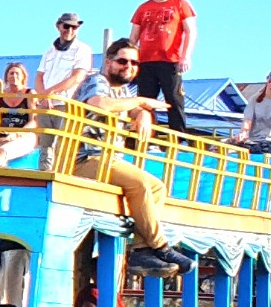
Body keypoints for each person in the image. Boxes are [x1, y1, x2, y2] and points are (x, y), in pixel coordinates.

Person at [76, 40, 188, 276]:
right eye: (122, 61)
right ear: (108, 62)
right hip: (85, 159)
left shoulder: (123, 91)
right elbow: (100, 104)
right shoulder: (97, 81)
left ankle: (141, 249)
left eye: (134, 63)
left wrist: (143, 113)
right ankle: (161, 246)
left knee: (157, 187)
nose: (128, 66)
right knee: (139, 183)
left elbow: (129, 106)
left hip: (110, 160)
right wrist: (141, 102)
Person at [130, 0, 197, 131]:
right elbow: (134, 35)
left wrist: (186, 56)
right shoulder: (143, 8)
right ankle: (146, 137)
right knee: (145, 102)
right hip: (145, 61)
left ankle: (178, 140)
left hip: (171, 60)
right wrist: (131, 59)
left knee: (174, 100)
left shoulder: (180, 4)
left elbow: (191, 31)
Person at [37, 12, 96, 98]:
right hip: (44, 104)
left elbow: (78, 77)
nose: (70, 30)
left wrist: (49, 94)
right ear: (58, 26)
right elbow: (39, 77)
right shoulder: (48, 52)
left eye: (74, 27)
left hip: (67, 103)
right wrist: (43, 97)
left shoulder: (83, 49)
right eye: (66, 26)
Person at [0, 62, 40, 166]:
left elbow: (34, 121)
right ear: (6, 77)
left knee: (0, 153)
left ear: (23, 76)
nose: (14, 76)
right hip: (2, 136)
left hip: (25, 136)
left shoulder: (29, 93)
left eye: (17, 73)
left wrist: (18, 134)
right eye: (11, 73)